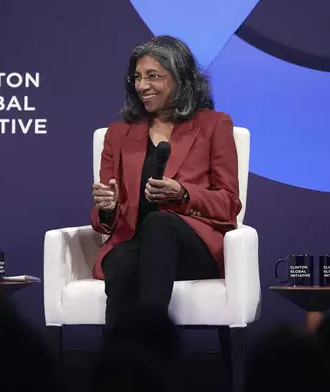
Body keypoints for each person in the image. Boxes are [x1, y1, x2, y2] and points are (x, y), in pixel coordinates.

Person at [90, 35, 242, 330]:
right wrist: (107, 206)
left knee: (160, 224)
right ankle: (123, 362)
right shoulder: (118, 134)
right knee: (121, 261)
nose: (142, 86)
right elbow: (102, 219)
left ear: (180, 78)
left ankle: (151, 350)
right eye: (137, 77)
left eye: (153, 76)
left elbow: (229, 203)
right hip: (134, 243)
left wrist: (185, 193)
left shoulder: (214, 125)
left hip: (193, 249)